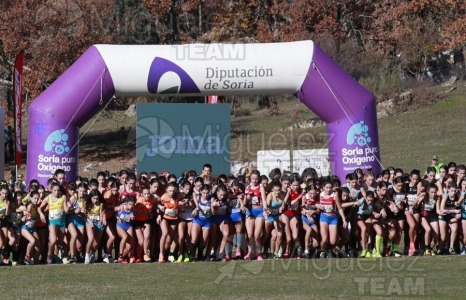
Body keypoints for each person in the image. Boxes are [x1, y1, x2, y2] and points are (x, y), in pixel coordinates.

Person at [84, 190, 106, 264]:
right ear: (90, 198)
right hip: (89, 222)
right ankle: (86, 256)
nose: (95, 200)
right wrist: (90, 222)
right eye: (94, 198)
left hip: (97, 222)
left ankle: (92, 254)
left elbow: (101, 214)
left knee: (96, 243)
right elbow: (85, 215)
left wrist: (102, 220)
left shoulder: (100, 204)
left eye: (97, 198)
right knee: (91, 239)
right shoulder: (86, 203)